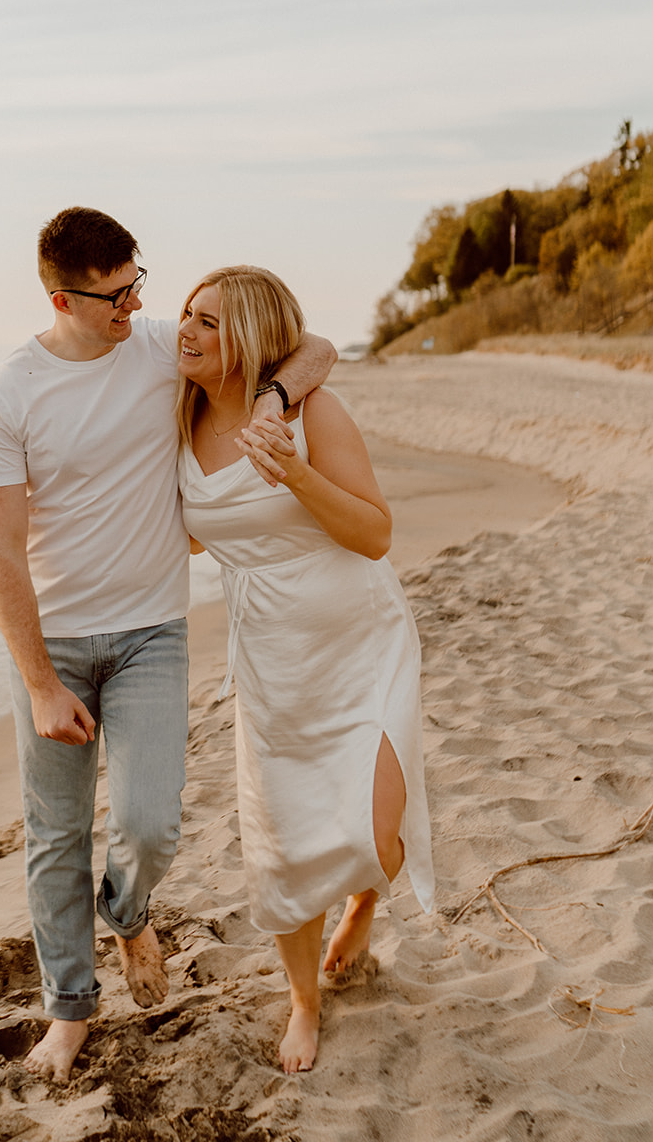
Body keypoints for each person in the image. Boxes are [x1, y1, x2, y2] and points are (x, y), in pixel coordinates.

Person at [0, 209, 336, 1081]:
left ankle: (128, 914)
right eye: (116, 294)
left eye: (140, 283)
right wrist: (39, 682)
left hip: (150, 637)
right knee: (55, 835)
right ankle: (68, 1010)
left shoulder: (162, 345)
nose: (137, 304)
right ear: (61, 297)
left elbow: (313, 345)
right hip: (51, 645)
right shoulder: (6, 395)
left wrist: (278, 397)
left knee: (148, 821)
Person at [176, 265, 434, 1074]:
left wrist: (292, 470)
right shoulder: (172, 412)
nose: (185, 329)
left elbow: (372, 533)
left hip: (361, 642)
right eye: (186, 312)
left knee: (376, 834)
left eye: (209, 321)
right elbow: (186, 536)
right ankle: (302, 1004)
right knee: (283, 845)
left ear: (250, 339)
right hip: (270, 659)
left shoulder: (313, 410)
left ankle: (362, 900)